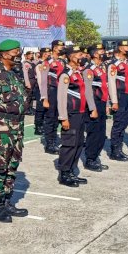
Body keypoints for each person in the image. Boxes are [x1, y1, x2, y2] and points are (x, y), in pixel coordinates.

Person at [0, 39, 29, 223]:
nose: (18, 54)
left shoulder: (13, 74)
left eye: (19, 51)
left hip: (16, 129)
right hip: (1, 129)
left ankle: (7, 201)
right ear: (4, 54)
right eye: (15, 52)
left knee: (12, 167)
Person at [57, 47, 97, 187]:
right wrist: (63, 118)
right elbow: (61, 98)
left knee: (79, 143)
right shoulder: (66, 74)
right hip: (70, 114)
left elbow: (86, 91)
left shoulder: (79, 73)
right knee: (69, 144)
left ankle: (72, 171)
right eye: (80, 54)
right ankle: (64, 173)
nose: (83, 56)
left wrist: (91, 109)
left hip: (80, 113)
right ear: (72, 56)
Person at [107, 41, 128, 161]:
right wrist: (114, 101)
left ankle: (119, 148)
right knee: (118, 124)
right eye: (126, 47)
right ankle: (115, 150)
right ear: (120, 48)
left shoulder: (126, 63)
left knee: (124, 122)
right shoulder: (114, 65)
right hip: (119, 97)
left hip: (127, 96)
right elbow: (112, 83)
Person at [83, 44, 109, 172]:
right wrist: (92, 108)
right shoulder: (89, 70)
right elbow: (88, 90)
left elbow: (104, 87)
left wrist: (107, 104)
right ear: (94, 54)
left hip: (102, 103)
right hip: (94, 104)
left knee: (101, 133)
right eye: (100, 51)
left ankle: (96, 156)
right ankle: (90, 159)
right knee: (93, 133)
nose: (103, 53)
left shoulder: (100, 68)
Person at [39, 40, 65, 155]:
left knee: (57, 118)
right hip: (51, 92)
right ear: (54, 48)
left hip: (61, 92)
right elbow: (44, 81)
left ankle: (54, 141)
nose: (62, 48)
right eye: (60, 46)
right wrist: (44, 97)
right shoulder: (47, 62)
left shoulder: (62, 61)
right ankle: (49, 144)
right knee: (50, 118)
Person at [33, 47, 50, 136]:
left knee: (45, 109)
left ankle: (43, 124)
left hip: (47, 88)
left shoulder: (47, 63)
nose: (49, 54)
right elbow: (40, 80)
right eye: (47, 53)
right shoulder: (40, 65)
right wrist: (42, 92)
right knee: (40, 109)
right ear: (44, 54)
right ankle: (38, 127)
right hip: (41, 89)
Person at [22, 50, 35, 116]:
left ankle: (30, 108)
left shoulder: (32, 62)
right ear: (26, 55)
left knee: (31, 96)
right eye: (30, 54)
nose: (32, 55)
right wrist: (27, 83)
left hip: (33, 80)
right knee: (28, 96)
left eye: (32, 54)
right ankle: (26, 109)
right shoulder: (26, 63)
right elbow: (25, 74)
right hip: (29, 81)